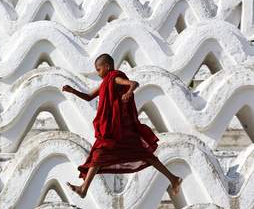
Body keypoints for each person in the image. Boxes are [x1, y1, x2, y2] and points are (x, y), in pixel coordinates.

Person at [62, 53, 182, 198]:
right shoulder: (106, 82)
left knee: (103, 153)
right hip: (116, 130)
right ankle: (173, 178)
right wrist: (72, 91)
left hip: (120, 130)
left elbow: (133, 83)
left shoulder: (114, 78)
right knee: (107, 154)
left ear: (107, 67)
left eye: (99, 69)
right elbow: (88, 97)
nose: (98, 73)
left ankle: (174, 179)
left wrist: (129, 92)